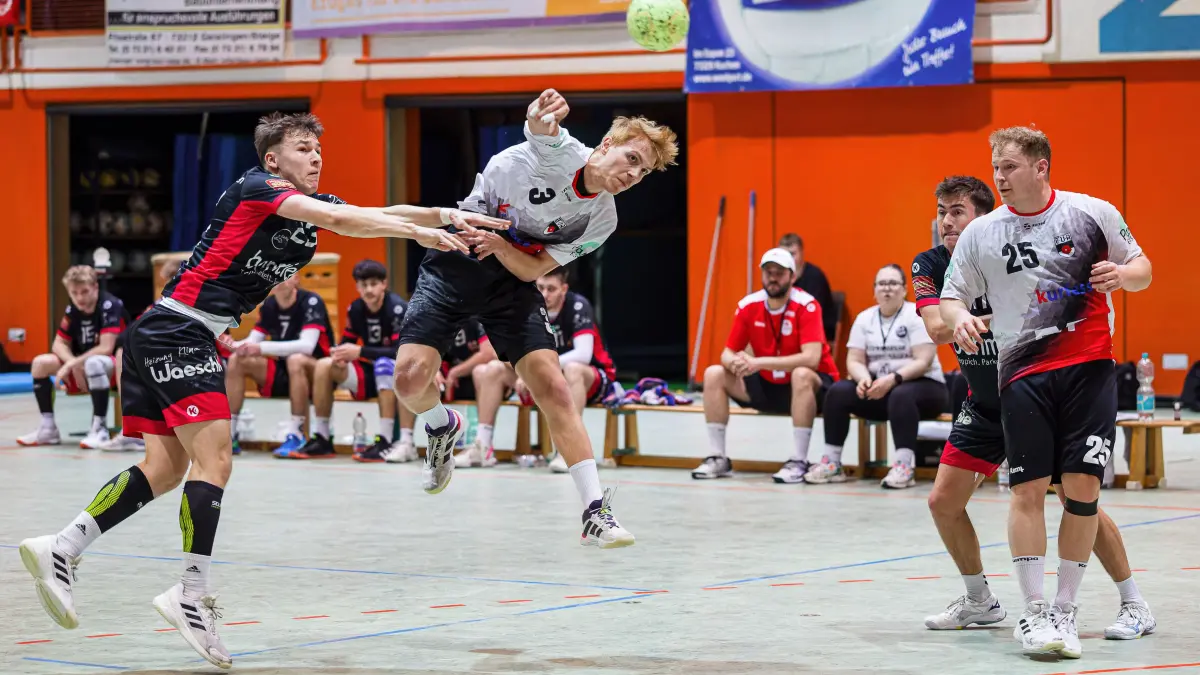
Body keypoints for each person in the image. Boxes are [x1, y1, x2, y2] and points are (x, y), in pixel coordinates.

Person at [16, 111, 506, 669]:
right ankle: (190, 594)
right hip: (179, 331)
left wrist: (447, 215)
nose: (315, 157)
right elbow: (343, 221)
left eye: (318, 149)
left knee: (165, 469)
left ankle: (62, 547)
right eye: (303, 148)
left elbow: (375, 213)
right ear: (273, 159)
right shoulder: (259, 187)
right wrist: (419, 235)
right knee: (215, 461)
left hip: (168, 331)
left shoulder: (307, 207)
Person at [392, 88, 678, 548]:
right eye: (631, 159)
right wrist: (539, 111)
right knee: (408, 381)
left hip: (510, 277)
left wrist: (503, 247)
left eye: (643, 171)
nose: (633, 174)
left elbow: (532, 269)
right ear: (606, 144)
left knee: (553, 386)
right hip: (458, 259)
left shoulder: (602, 219)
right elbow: (541, 128)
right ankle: (441, 424)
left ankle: (595, 512)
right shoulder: (563, 153)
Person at [941, 127, 1153, 659]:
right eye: (995, 167)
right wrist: (959, 316)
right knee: (1027, 490)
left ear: (1041, 167)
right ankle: (1035, 611)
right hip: (1022, 372)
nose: (998, 177)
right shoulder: (982, 232)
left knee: (1081, 491)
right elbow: (951, 297)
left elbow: (1143, 269)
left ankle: (1065, 609)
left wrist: (1122, 275)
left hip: (1089, 368)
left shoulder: (1091, 213)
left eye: (1009, 166)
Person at [693, 248, 839, 483]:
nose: (773, 278)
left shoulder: (807, 305)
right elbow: (727, 353)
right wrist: (735, 362)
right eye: (768, 272)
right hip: (767, 383)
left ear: (792, 276)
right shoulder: (748, 305)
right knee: (714, 373)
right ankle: (717, 457)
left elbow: (811, 358)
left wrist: (758, 363)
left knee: (801, 374)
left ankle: (799, 460)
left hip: (813, 388)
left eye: (779, 273)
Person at [805, 263, 947, 487]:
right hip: (878, 388)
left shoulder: (916, 315)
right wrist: (863, 379)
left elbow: (923, 361)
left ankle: (903, 467)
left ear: (904, 289)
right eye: (881, 284)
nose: (887, 288)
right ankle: (832, 463)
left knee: (901, 394)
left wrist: (893, 379)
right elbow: (854, 360)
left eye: (893, 283)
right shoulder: (865, 318)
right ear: (874, 290)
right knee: (838, 391)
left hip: (924, 388)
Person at [463, 268, 618, 473]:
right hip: (545, 378)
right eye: (541, 287)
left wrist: (537, 371)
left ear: (564, 289)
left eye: (551, 289)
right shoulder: (526, 306)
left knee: (573, 369)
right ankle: (482, 446)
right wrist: (526, 373)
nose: (545, 294)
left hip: (591, 379)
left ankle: (568, 452)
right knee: (490, 369)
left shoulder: (578, 306)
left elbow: (583, 354)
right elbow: (506, 351)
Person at [293, 259, 416, 463]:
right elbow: (347, 342)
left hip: (395, 374)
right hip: (367, 373)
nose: (368, 290)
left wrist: (360, 351)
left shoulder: (397, 308)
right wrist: (339, 354)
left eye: (373, 284)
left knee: (384, 364)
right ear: (357, 287)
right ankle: (322, 437)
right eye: (363, 285)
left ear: (384, 284)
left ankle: (385, 440)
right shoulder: (356, 308)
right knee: (324, 364)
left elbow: (401, 352)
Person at [17, 265, 130, 449]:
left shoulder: (110, 305)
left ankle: (99, 428)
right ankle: (48, 428)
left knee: (94, 362)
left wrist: (72, 364)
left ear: (95, 287)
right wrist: (72, 362)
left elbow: (106, 347)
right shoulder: (73, 310)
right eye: (74, 293)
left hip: (116, 368)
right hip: (83, 366)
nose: (79, 298)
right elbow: (58, 344)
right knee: (40, 363)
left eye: (84, 292)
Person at [224, 273, 334, 454]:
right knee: (237, 360)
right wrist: (235, 345)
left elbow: (307, 346)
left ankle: (297, 434)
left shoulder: (311, 301)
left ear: (296, 279)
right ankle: (229, 434)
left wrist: (261, 348)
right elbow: (253, 341)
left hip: (317, 374)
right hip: (285, 370)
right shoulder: (269, 305)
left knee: (296, 360)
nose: (279, 279)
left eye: (286, 275)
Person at [778, 233, 837, 342]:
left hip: (818, 329)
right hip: (789, 326)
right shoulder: (778, 277)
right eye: (784, 255)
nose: (788, 259)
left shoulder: (815, 276)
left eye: (792, 254)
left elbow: (814, 312)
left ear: (802, 253)